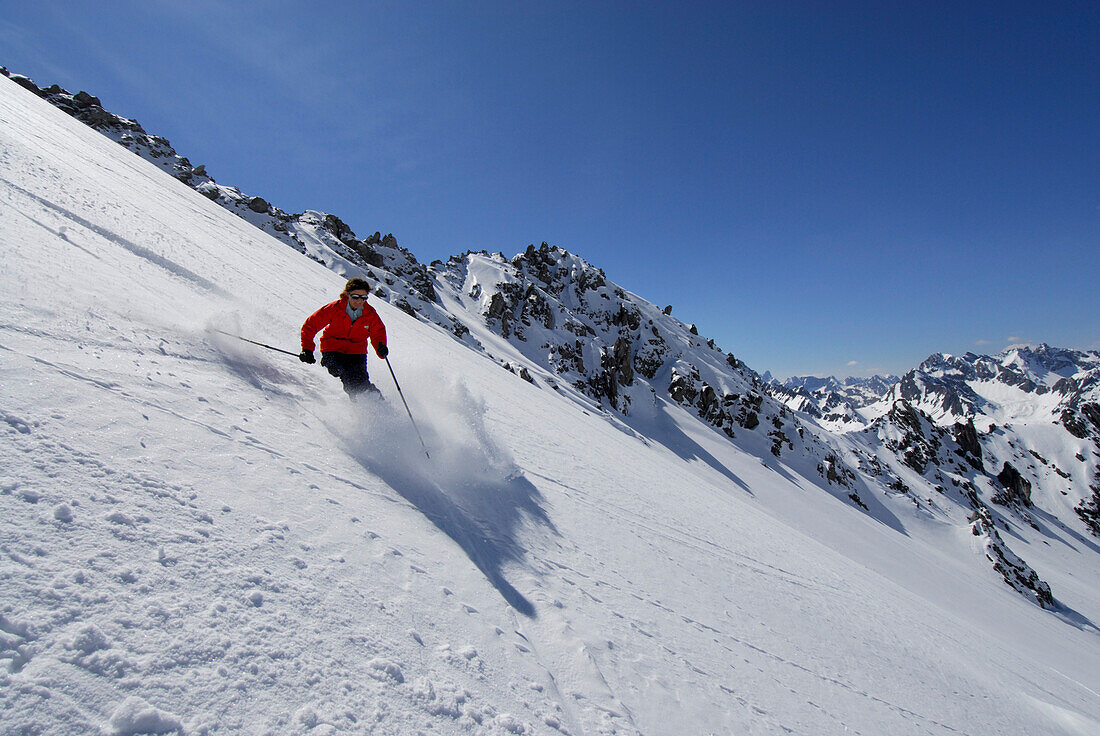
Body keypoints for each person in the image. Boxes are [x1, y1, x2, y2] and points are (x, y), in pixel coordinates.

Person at [300, 277, 389, 398]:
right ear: (348, 294)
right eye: (355, 297)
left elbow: (378, 332)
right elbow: (310, 326)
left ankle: (376, 402)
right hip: (332, 349)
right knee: (343, 374)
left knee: (361, 381)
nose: (359, 301)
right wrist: (307, 349)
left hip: (357, 352)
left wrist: (381, 347)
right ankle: (362, 402)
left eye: (363, 298)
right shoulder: (335, 308)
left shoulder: (370, 313)